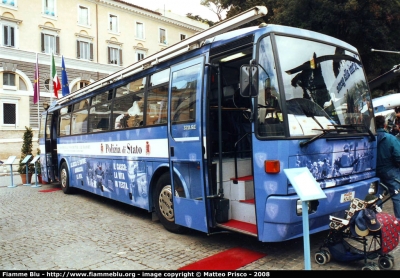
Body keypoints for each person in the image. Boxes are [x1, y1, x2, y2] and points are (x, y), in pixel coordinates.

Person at [375, 115, 400, 220]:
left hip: (375, 172)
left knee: (376, 197)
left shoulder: (371, 138)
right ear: (385, 125)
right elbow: (398, 156)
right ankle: (398, 221)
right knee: (397, 196)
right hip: (391, 171)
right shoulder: (391, 138)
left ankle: (375, 221)